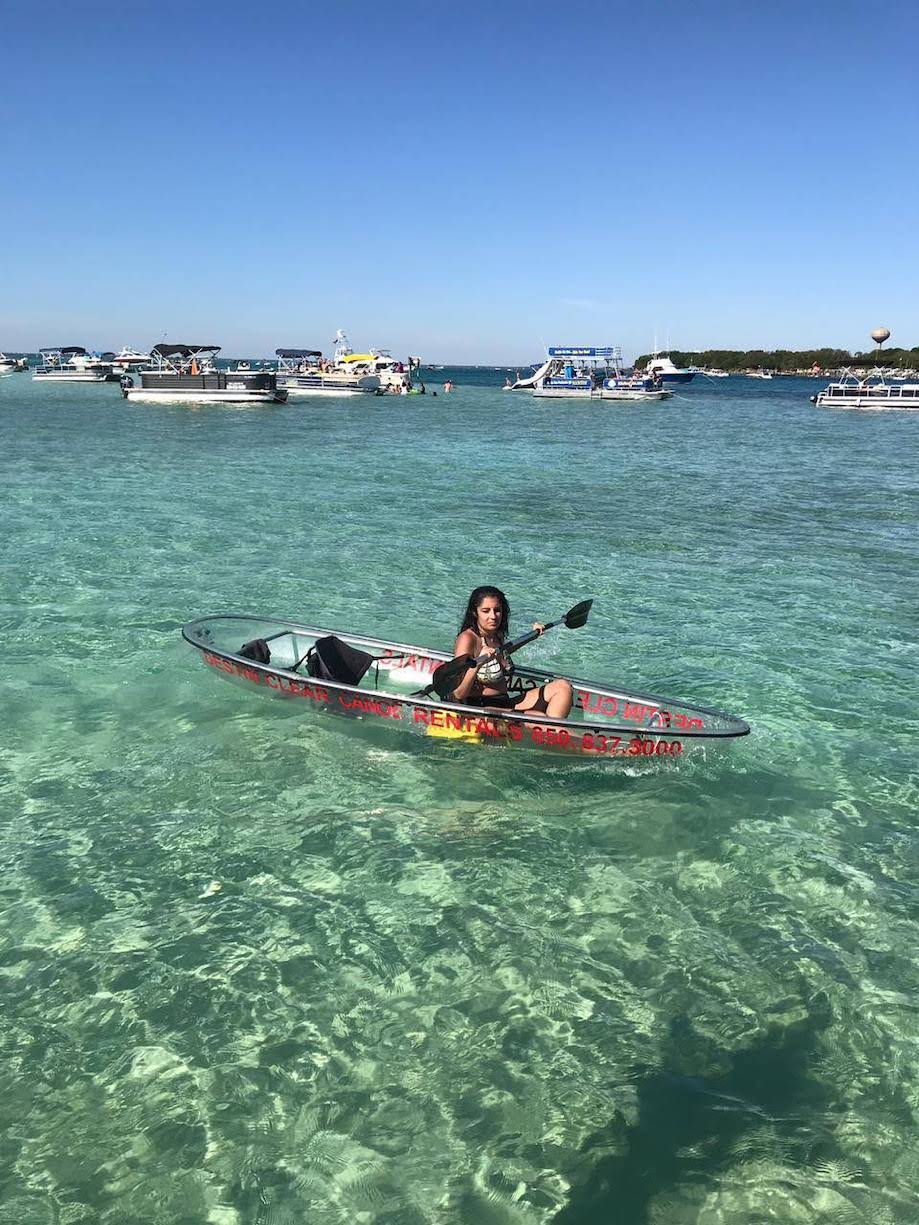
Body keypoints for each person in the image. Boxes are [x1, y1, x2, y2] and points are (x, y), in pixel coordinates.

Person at [450, 586, 574, 719]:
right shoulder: (467, 639)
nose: (493, 616)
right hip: (479, 708)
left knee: (563, 687)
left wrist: (532, 636)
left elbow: (503, 652)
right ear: (475, 612)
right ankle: (554, 733)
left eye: (497, 610)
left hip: (504, 703)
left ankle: (553, 733)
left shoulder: (496, 635)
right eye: (486, 611)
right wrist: (478, 663)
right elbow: (458, 693)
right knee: (537, 716)